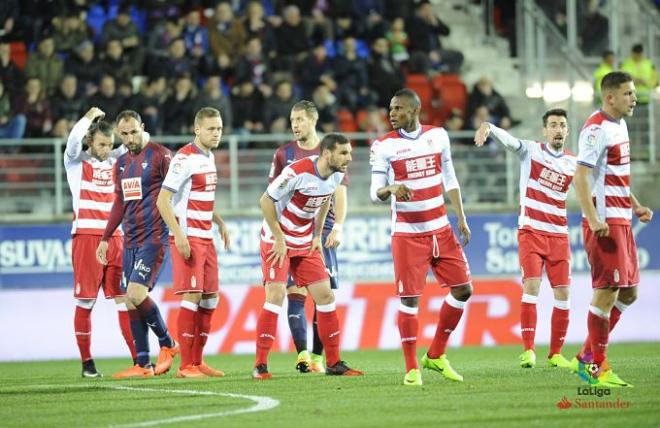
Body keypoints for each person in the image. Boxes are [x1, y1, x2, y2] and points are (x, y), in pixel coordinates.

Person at [370, 88, 472, 386]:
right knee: (410, 300)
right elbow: (374, 192)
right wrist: (390, 189)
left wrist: (461, 217)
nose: (391, 113)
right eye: (390, 108)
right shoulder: (384, 146)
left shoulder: (438, 136)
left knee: (464, 290)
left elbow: (449, 178)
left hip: (441, 228)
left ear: (415, 111)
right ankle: (412, 368)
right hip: (408, 234)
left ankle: (436, 355)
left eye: (398, 108)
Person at [253, 133, 362, 379]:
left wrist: (316, 234)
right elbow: (265, 201)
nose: (349, 158)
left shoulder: (335, 174)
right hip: (277, 239)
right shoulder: (297, 171)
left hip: (305, 240)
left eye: (350, 153)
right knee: (276, 295)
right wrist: (279, 238)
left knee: (325, 296)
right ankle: (260, 366)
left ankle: (333, 363)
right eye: (344, 153)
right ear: (327, 153)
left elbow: (326, 200)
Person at [474, 109, 577, 369]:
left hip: (559, 236)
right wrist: (489, 126)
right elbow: (510, 140)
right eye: (552, 124)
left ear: (567, 131)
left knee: (563, 294)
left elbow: (593, 191)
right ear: (544, 130)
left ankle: (555, 354)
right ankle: (529, 350)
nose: (557, 129)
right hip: (531, 232)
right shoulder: (531, 151)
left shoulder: (573, 163)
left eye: (562, 125)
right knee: (531, 287)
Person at [574, 71, 653, 387]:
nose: (634, 98)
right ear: (610, 97)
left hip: (622, 218)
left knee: (630, 293)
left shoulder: (619, 125)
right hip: (605, 223)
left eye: (633, 93)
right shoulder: (596, 129)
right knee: (605, 295)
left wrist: (634, 204)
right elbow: (581, 176)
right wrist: (592, 218)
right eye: (629, 93)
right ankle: (595, 370)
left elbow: (613, 174)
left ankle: (585, 356)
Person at [96, 110, 178, 378]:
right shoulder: (120, 164)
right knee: (130, 302)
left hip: (153, 237)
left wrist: (181, 230)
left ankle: (167, 343)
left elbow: (179, 192)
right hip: (130, 240)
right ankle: (143, 365)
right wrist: (106, 238)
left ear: (142, 127)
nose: (130, 137)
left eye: (134, 131)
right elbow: (119, 203)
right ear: (120, 134)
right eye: (125, 133)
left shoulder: (161, 155)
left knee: (135, 293)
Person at [267, 101, 348, 373]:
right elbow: (271, 196)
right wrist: (277, 233)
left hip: (320, 232)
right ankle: (302, 353)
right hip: (290, 231)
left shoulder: (331, 151)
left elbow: (338, 193)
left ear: (313, 120)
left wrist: (337, 226)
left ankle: (318, 356)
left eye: (300, 119)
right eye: (292, 119)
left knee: (322, 294)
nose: (295, 124)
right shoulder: (284, 154)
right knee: (294, 291)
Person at [156, 107, 231, 378]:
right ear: (197, 129)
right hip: (188, 237)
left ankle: (198, 362)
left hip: (206, 237)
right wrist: (179, 235)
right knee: (193, 296)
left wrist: (219, 221)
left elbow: (198, 198)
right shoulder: (184, 159)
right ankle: (186, 365)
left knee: (210, 299)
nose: (216, 133)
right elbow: (163, 201)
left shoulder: (208, 158)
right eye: (211, 128)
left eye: (220, 128)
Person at [64, 107, 134, 377]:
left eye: (111, 145)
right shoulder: (75, 162)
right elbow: (72, 142)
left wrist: (127, 126)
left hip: (116, 238)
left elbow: (141, 137)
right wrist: (88, 117)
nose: (107, 149)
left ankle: (139, 360)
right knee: (85, 302)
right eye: (102, 144)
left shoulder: (116, 160)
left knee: (124, 299)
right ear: (90, 141)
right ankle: (87, 364)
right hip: (86, 238)